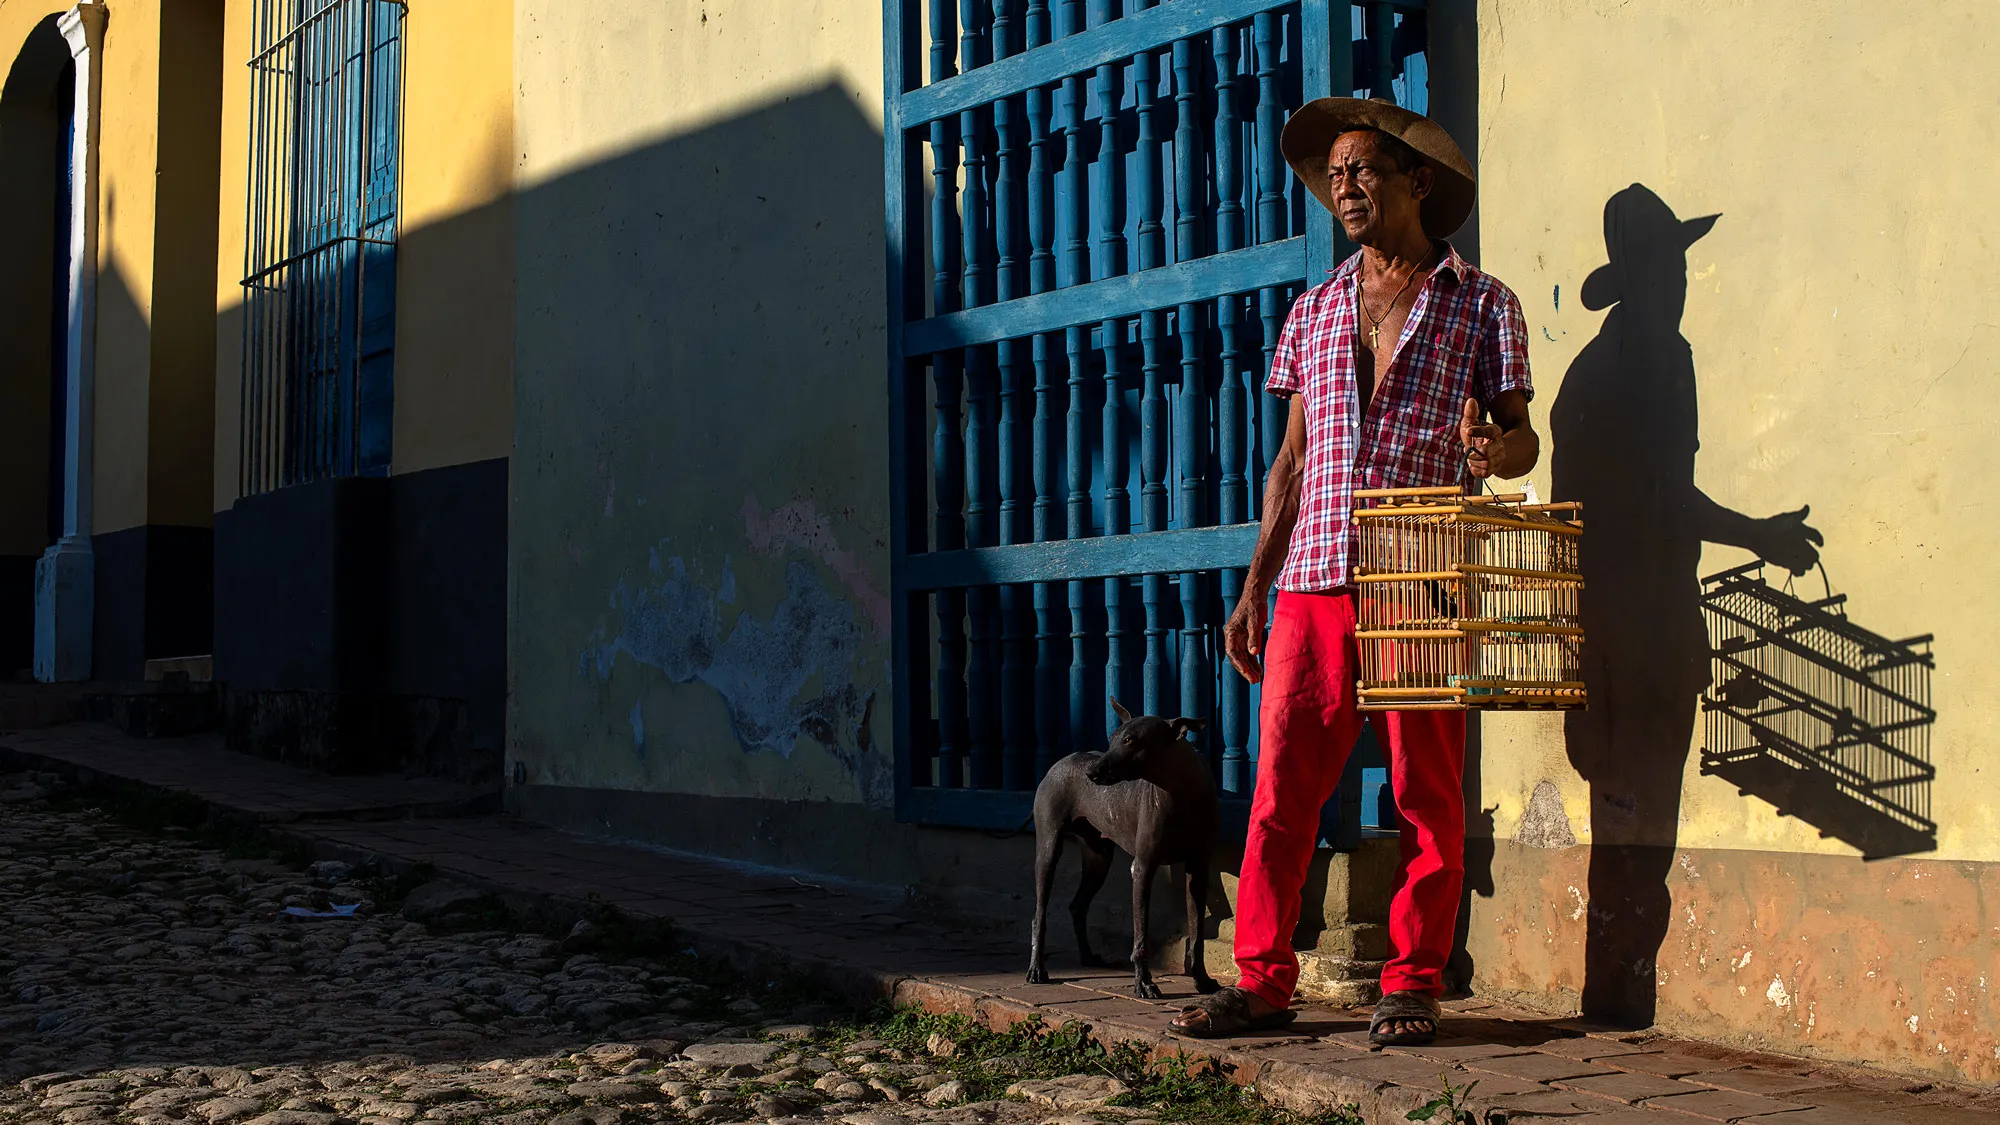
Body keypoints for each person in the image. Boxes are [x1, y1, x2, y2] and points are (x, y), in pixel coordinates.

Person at [1169, 98, 1537, 1045]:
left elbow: (1522, 435)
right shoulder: (1317, 306)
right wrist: (1256, 584)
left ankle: (1413, 979)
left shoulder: (1483, 301)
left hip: (1421, 574)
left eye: (1364, 169)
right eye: (1335, 174)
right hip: (1315, 580)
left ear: (1417, 181)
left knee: (1427, 794)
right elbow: (1290, 463)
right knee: (1282, 789)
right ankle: (1261, 980)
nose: (1345, 186)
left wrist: (1493, 449)